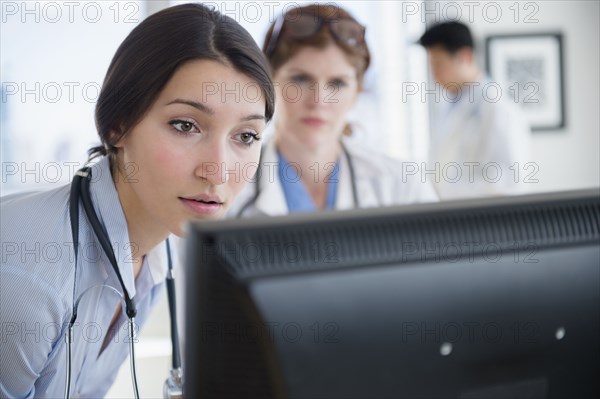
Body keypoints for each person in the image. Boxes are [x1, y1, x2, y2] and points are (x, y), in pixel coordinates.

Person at [0, 3, 274, 398]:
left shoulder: (154, 251)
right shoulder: (29, 274)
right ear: (118, 126)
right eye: (186, 125)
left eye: (246, 136)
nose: (218, 171)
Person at [229, 3, 437, 218]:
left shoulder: (402, 187)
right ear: (269, 83)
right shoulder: (227, 189)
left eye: (337, 83)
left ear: (357, 90)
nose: (318, 100)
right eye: (300, 79)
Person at [419, 21, 532, 200]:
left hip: (482, 222)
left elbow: (511, 183)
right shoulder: (451, 106)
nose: (434, 75)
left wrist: (447, 192)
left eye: (438, 65)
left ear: (465, 57)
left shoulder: (498, 108)